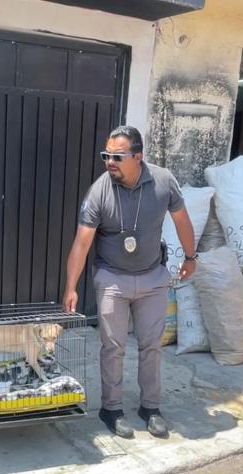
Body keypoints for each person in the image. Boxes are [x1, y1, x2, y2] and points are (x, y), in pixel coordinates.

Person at [63, 126, 197, 440]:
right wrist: (71, 286)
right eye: (106, 155)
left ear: (138, 157)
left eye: (117, 156)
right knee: (113, 347)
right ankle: (111, 408)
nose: (109, 162)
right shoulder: (100, 191)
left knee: (152, 346)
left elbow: (182, 220)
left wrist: (191, 257)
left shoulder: (163, 181)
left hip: (152, 276)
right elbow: (82, 242)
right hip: (112, 277)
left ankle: (150, 407)